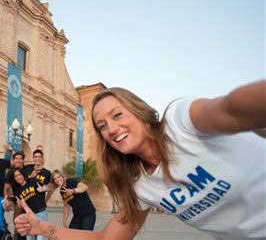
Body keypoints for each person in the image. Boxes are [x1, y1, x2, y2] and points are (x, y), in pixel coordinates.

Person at [14, 81, 266, 239]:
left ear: (140, 112)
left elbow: (231, 107)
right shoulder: (139, 187)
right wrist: (41, 228)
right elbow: (105, 239)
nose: (111, 128)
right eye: (102, 126)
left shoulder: (182, 123)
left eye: (118, 114)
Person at [10, 168, 48, 240]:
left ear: (23, 175)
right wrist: (20, 205)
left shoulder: (33, 181)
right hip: (29, 217)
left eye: (19, 175)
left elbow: (47, 188)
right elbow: (21, 206)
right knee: (30, 238)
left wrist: (43, 189)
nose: (18, 177)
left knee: (41, 238)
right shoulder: (17, 191)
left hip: (40, 214)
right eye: (16, 176)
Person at [4, 152, 27, 240]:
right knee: (17, 223)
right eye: (16, 158)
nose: (18, 160)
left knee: (29, 223)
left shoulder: (28, 169)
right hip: (17, 202)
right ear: (13, 160)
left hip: (29, 201)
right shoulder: (10, 173)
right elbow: (6, 187)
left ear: (23, 160)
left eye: (20, 158)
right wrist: (5, 199)